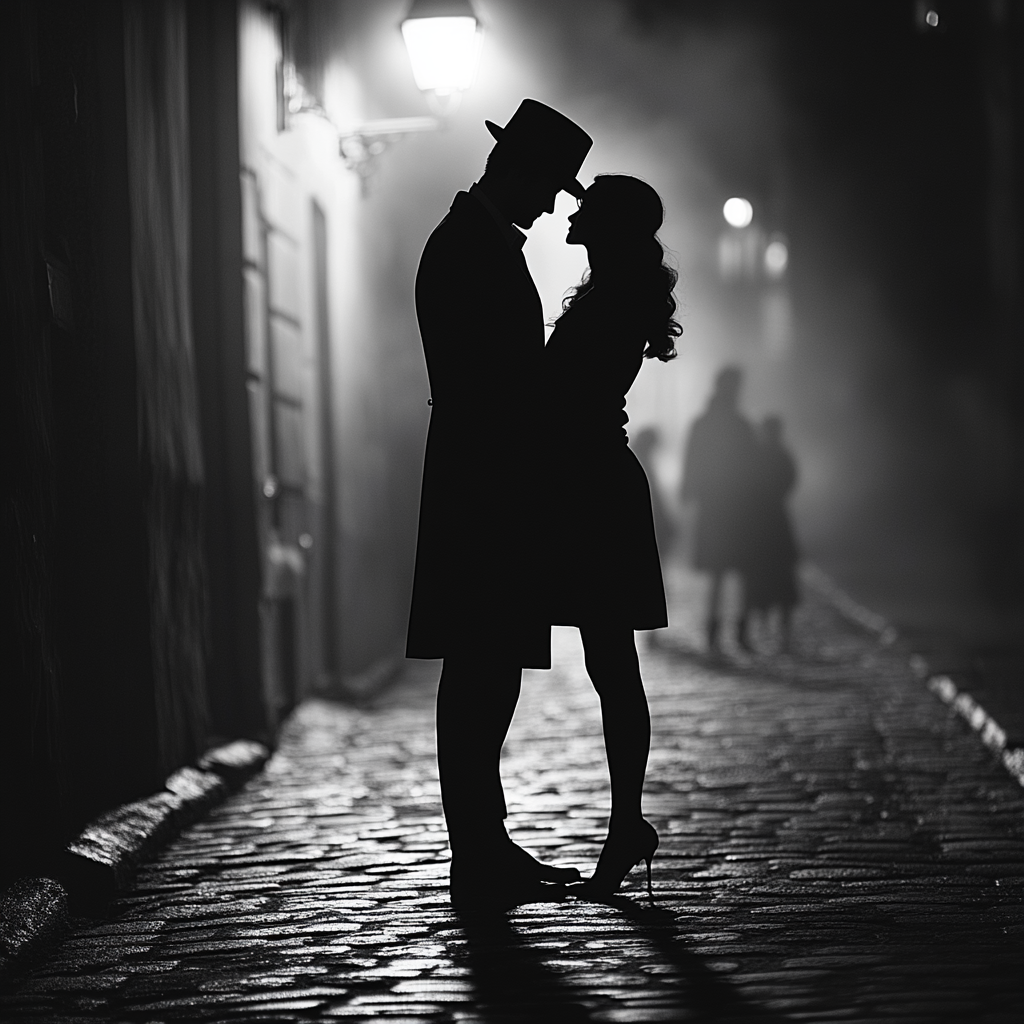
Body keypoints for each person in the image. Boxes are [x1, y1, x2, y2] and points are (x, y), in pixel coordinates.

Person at [406, 100, 592, 912]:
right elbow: (490, 382)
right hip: (485, 486)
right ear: (516, 170)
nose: (555, 204)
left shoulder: (472, 241)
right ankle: (477, 850)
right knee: (480, 671)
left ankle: (485, 843)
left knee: (488, 669)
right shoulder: (467, 248)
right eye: (551, 185)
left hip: (487, 481)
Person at [544, 174, 680, 897]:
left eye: (587, 204)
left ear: (613, 223)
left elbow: (562, 393)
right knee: (610, 666)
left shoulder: (614, 295)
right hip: (590, 482)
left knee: (613, 667)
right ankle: (626, 822)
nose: (573, 206)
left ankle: (627, 821)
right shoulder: (613, 289)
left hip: (592, 487)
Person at [680, 366, 759, 652]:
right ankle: (731, 629)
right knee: (730, 571)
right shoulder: (738, 425)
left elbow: (692, 462)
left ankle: (724, 629)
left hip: (722, 506)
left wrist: (688, 494)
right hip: (729, 507)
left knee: (725, 571)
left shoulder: (709, 423)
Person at [744, 415, 801, 651]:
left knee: (761, 577)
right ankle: (780, 633)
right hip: (775, 522)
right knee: (781, 579)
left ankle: (761, 629)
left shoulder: (756, 457)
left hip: (761, 524)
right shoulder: (780, 455)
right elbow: (791, 480)